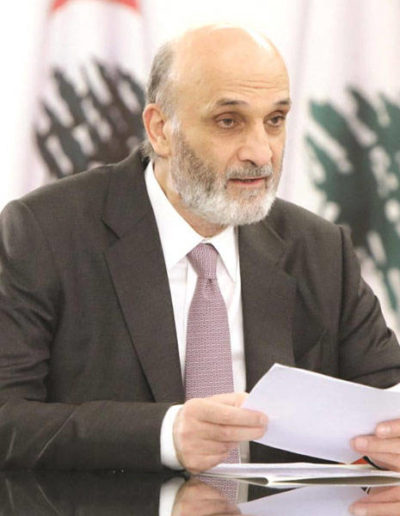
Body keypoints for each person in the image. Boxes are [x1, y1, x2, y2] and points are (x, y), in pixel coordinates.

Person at [0, 25, 400, 480]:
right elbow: (7, 416)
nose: (261, 153)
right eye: (228, 121)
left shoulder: (320, 249)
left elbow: (387, 397)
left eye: (275, 120)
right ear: (160, 130)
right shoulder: (46, 233)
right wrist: (165, 434)